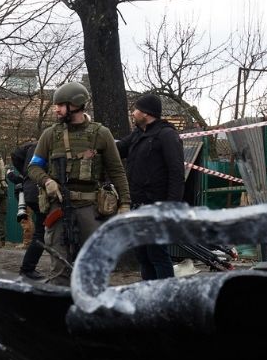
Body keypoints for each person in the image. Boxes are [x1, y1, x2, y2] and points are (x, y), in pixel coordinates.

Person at [27, 82, 131, 286]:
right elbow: (33, 167)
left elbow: (117, 171)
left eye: (60, 105)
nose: (56, 109)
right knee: (59, 265)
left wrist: (125, 203)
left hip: (91, 208)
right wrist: (47, 180)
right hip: (58, 206)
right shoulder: (50, 135)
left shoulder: (101, 134)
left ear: (75, 105)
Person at [117, 93, 185, 280]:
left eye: (136, 109)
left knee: (157, 254)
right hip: (138, 204)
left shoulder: (167, 135)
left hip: (157, 206)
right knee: (142, 254)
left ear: (146, 113)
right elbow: (119, 148)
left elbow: (177, 174)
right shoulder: (139, 134)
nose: (133, 113)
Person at [7, 139, 46, 279]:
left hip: (29, 190)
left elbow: (15, 154)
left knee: (42, 230)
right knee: (43, 231)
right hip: (40, 190)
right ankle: (27, 269)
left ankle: (27, 268)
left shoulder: (31, 147)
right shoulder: (48, 142)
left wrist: (23, 174)